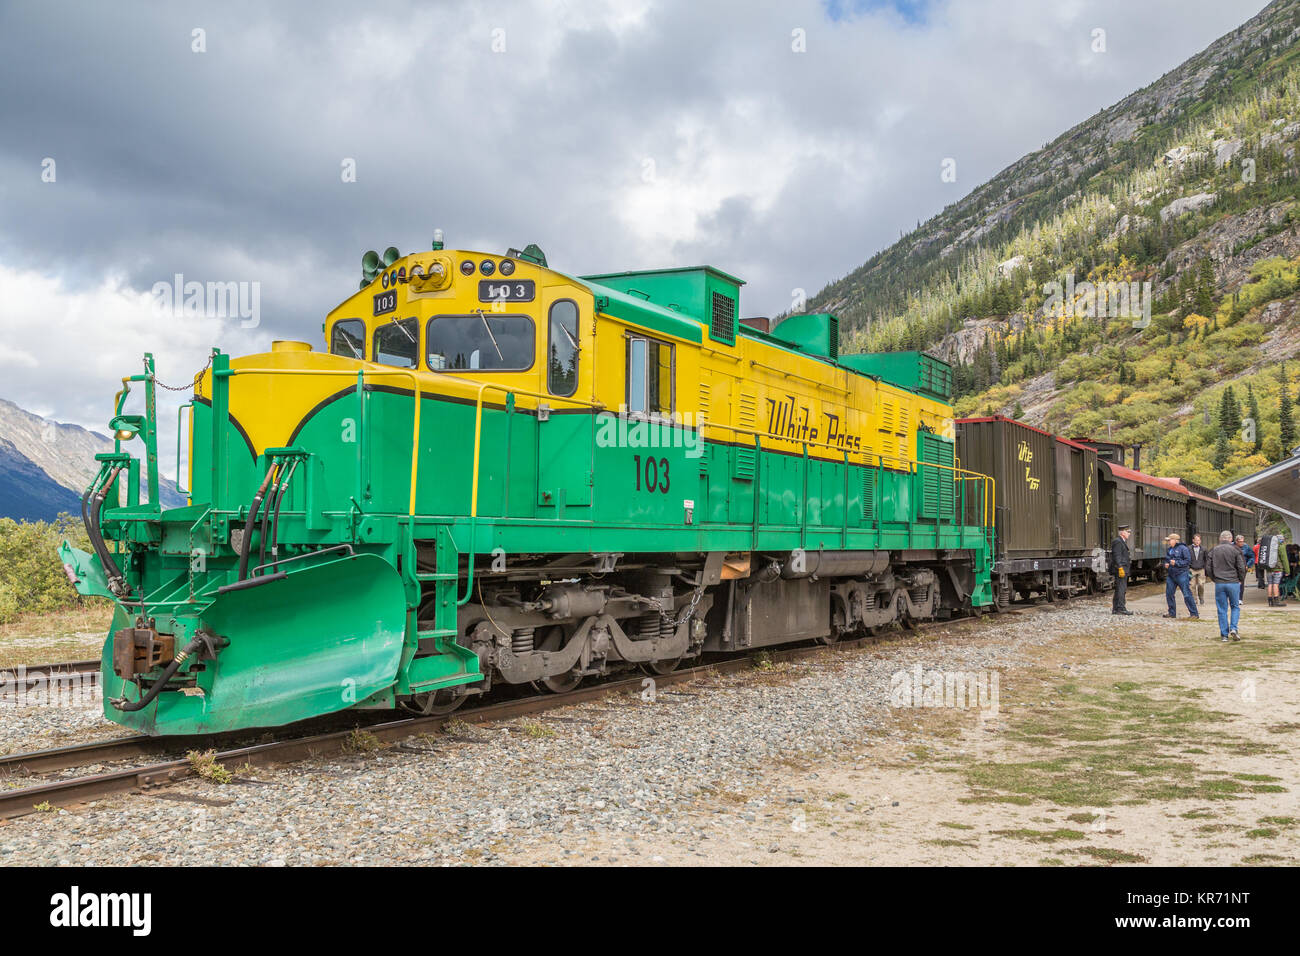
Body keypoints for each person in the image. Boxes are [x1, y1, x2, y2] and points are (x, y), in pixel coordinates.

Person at [1207, 530, 1247, 643]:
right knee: (1235, 607)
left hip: (1219, 583)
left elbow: (1208, 568)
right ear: (1231, 539)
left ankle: (1224, 635)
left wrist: (1214, 579)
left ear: (1220, 539)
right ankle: (1234, 628)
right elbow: (1242, 567)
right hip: (1233, 582)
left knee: (1221, 609)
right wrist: (1240, 579)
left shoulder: (1214, 550)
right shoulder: (1236, 549)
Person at [1163, 532, 1198, 619]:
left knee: (1186, 594)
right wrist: (1166, 564)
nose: (1168, 542)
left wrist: (1177, 563)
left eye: (1170, 540)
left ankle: (1194, 614)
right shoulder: (1169, 549)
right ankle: (1172, 613)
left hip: (1182, 574)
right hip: (1171, 575)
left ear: (1175, 540)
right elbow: (1167, 559)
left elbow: (1187, 561)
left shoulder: (1183, 549)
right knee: (1169, 594)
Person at [1110, 524, 1133, 615]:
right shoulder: (1118, 541)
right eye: (1128, 532)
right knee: (1121, 589)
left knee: (1119, 588)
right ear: (1122, 532)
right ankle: (1120, 608)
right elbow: (1117, 555)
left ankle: (1116, 608)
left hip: (1122, 568)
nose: (1129, 534)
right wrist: (1120, 567)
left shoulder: (1120, 541)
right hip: (1121, 569)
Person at [1266, 532, 1291, 607]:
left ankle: (1270, 601)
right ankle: (1276, 601)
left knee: (1270, 584)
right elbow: (1284, 559)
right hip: (1277, 568)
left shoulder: (1269, 545)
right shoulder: (1281, 546)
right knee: (1276, 584)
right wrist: (1287, 570)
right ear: (1281, 540)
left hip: (1269, 568)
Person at [1188, 533, 1208, 604]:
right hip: (1191, 569)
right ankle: (1194, 599)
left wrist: (1205, 568)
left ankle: (1201, 597)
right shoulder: (1189, 548)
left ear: (1200, 541)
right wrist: (1188, 567)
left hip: (1201, 569)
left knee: (1201, 584)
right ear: (1193, 540)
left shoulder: (1204, 549)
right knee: (1192, 585)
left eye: (1198, 540)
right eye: (1196, 540)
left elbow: (1206, 559)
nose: (1197, 542)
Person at [1236, 534, 1254, 602]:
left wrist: (1248, 565)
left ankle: (1240, 599)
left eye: (1242, 541)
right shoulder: (1232, 546)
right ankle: (1234, 597)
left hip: (1243, 568)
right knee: (1234, 583)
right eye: (1240, 541)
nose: (1241, 543)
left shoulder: (1246, 547)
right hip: (1233, 568)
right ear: (1236, 541)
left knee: (1241, 582)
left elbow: (1252, 557)